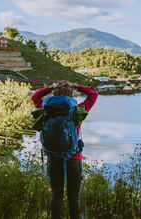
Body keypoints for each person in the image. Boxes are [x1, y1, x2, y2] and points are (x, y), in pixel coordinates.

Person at [31, 80, 98, 219]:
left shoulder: (45, 109)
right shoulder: (77, 110)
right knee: (74, 196)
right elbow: (93, 93)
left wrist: (49, 87)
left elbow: (35, 97)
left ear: (54, 93)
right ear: (71, 94)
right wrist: (76, 85)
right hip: (73, 157)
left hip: (53, 156)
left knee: (56, 194)